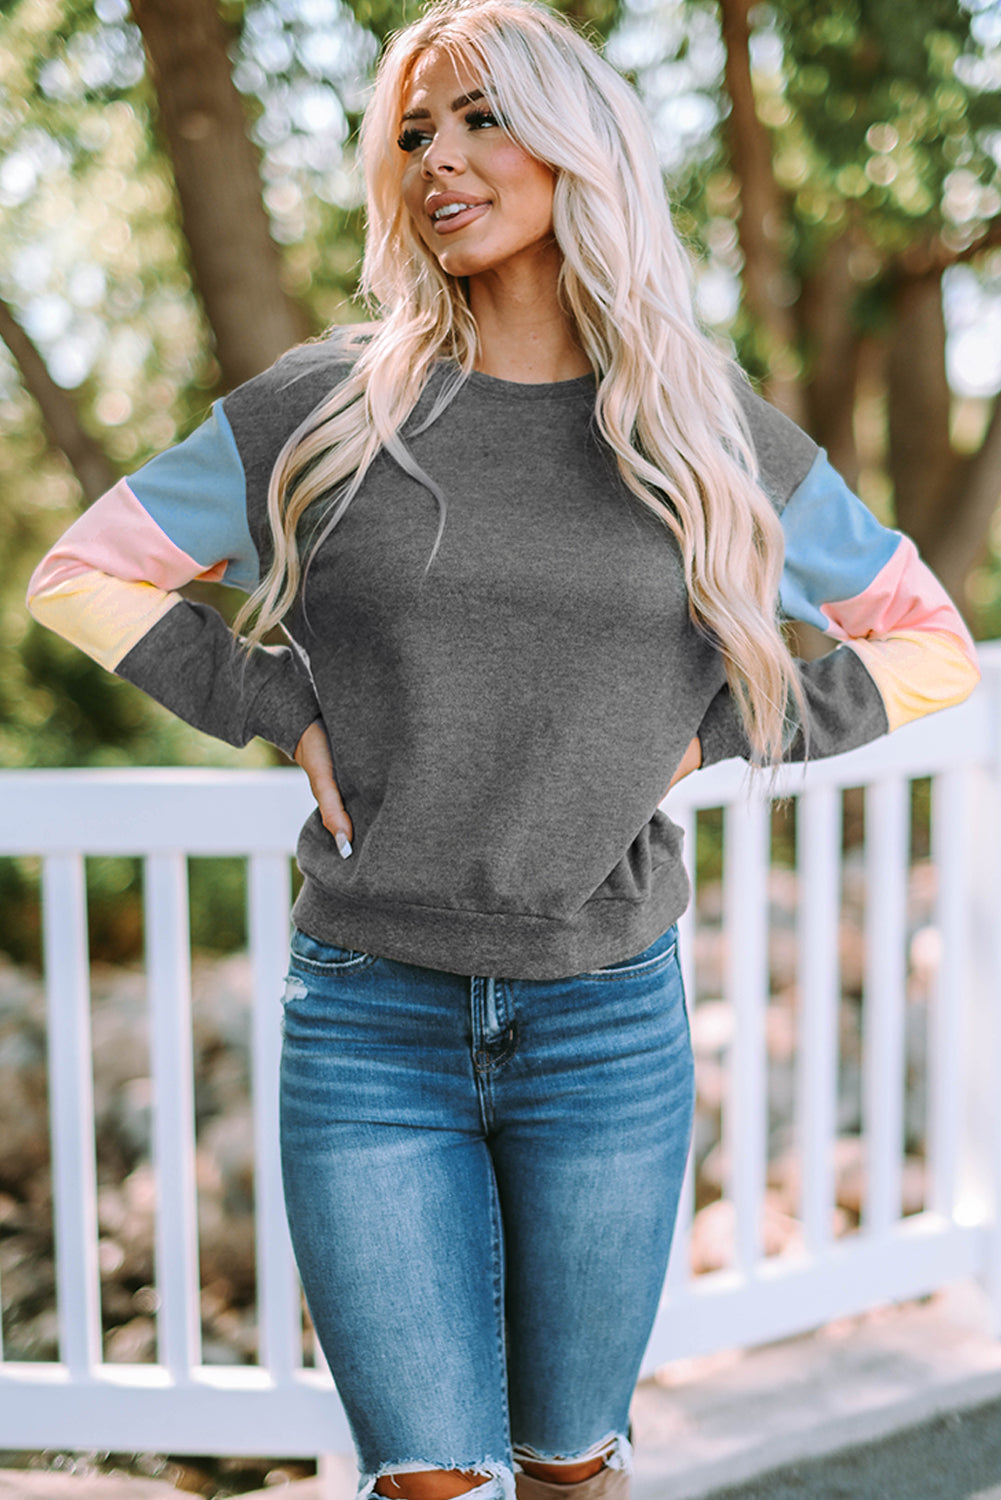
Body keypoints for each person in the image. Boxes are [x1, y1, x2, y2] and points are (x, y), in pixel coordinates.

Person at [26, 1, 980, 1498]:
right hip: (367, 1027)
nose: (437, 162)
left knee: (568, 1468)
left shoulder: (694, 424)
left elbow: (923, 643)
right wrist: (277, 704)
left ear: (575, 147)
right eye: (412, 133)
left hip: (605, 1026)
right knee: (429, 1479)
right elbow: (82, 575)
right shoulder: (326, 409)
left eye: (477, 119)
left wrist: (710, 733)